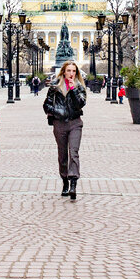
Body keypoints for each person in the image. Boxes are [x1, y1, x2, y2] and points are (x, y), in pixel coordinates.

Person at [43, 59, 87, 201]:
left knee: (73, 152)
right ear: (63, 72)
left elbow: (81, 104)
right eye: (68, 70)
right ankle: (65, 182)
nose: (71, 73)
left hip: (75, 123)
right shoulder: (55, 86)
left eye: (74, 71)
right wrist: (57, 112)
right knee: (62, 155)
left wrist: (73, 89)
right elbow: (46, 105)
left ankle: (73, 183)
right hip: (60, 123)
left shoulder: (79, 87)